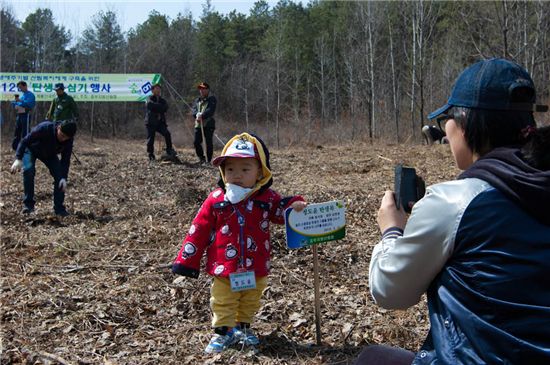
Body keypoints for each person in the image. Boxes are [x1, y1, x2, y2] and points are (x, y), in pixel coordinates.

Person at [357, 58, 550, 365]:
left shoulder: (456, 202)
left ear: (466, 122)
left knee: (372, 358)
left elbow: (390, 291)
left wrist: (392, 230)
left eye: (446, 117)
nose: (443, 128)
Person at [172, 132, 307, 354]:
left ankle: (243, 327)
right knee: (223, 299)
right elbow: (199, 229)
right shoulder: (216, 199)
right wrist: (187, 260)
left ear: (261, 172)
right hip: (225, 266)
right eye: (230, 169)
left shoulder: (266, 198)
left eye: (245, 169)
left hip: (256, 264)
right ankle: (223, 332)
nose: (237, 175)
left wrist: (294, 206)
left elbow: (279, 210)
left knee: (250, 299)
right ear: (222, 172)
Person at [10, 120, 78, 216]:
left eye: (66, 138)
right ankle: (28, 206)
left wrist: (63, 177)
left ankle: (59, 209)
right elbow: (24, 141)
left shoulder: (68, 140)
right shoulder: (44, 128)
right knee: (29, 171)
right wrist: (18, 158)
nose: (63, 139)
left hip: (50, 155)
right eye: (62, 135)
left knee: (60, 178)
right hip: (31, 150)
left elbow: (65, 161)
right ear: (58, 128)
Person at [145, 83, 176, 161]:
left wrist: (156, 107)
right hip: (151, 122)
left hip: (160, 122)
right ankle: (151, 154)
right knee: (150, 139)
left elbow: (165, 108)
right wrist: (159, 107)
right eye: (156, 89)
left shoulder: (162, 100)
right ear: (152, 90)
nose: (158, 90)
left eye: (159, 89)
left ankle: (169, 150)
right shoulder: (149, 98)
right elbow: (150, 105)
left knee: (167, 134)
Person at [192, 82, 216, 165]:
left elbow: (210, 110)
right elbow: (194, 110)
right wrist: (196, 115)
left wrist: (203, 115)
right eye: (200, 89)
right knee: (196, 142)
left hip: (209, 124)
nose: (201, 90)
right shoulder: (197, 100)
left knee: (208, 142)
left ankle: (208, 160)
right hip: (198, 125)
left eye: (203, 89)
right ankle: (201, 158)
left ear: (208, 90)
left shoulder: (212, 99)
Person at [11, 81, 36, 151]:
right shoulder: (23, 95)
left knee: (26, 131)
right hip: (19, 114)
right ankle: (15, 147)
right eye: (19, 88)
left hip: (26, 114)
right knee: (17, 130)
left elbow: (29, 105)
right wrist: (14, 103)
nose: (20, 89)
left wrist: (20, 101)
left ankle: (26, 147)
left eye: (21, 87)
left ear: (25, 86)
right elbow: (19, 103)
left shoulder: (30, 95)